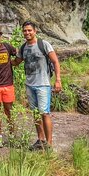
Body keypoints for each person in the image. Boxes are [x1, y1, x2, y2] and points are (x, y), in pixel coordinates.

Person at [12, 21, 62, 150]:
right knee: (35, 113)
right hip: (30, 85)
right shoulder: (23, 47)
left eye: (29, 30)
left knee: (44, 113)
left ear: (35, 31)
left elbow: (55, 61)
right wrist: (4, 58)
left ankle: (49, 144)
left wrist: (58, 80)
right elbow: (16, 62)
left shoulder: (43, 44)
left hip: (43, 84)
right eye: (25, 31)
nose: (27, 33)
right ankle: (40, 140)